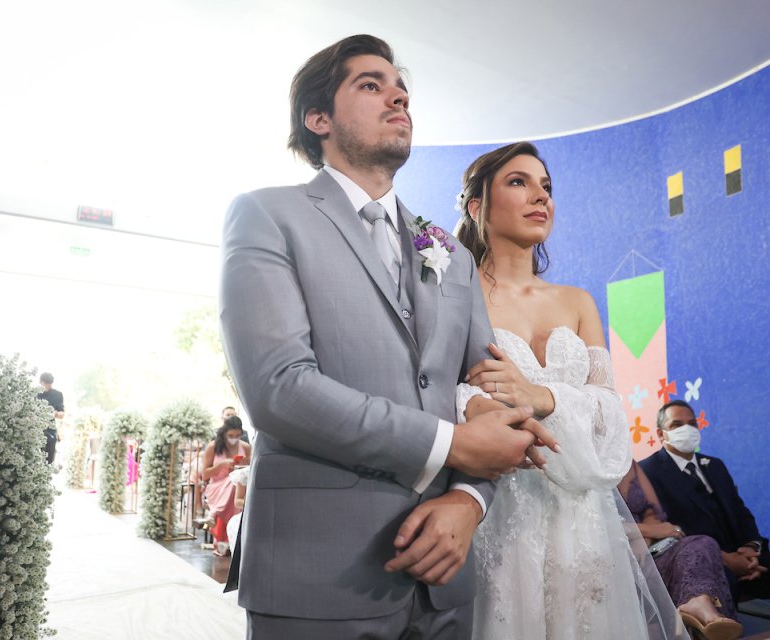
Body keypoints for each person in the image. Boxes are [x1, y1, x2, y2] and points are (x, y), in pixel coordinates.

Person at [219, 34, 557, 639]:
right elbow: (279, 389)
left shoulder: (447, 251)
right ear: (317, 118)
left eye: (401, 89)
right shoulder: (268, 215)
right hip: (320, 575)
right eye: (370, 85)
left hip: (446, 578)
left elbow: (489, 390)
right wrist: (451, 447)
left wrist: (469, 502)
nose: (398, 97)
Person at [455, 141, 683, 639]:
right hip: (505, 511)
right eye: (519, 182)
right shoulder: (454, 297)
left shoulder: (577, 301)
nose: (541, 196)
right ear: (478, 207)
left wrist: (546, 397)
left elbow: (610, 416)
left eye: (547, 186)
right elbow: (444, 397)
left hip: (584, 517)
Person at [641, 400, 770, 626]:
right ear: (660, 433)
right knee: (723, 590)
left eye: (691, 423)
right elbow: (667, 530)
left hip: (743, 556)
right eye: (676, 425)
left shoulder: (714, 465)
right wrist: (726, 560)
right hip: (701, 564)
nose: (686, 430)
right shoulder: (648, 471)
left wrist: (750, 549)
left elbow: (740, 511)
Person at [619, 460, 743, 640]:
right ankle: (700, 622)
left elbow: (652, 513)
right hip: (616, 561)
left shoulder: (629, 462)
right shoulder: (577, 463)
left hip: (649, 552)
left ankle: (698, 603)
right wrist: (647, 531)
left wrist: (645, 539)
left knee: (702, 543)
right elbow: (593, 526)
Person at [202, 416, 251, 553]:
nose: (234, 438)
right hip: (217, 486)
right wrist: (221, 465)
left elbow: (250, 469)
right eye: (231, 435)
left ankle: (214, 514)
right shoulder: (213, 447)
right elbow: (204, 474)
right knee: (232, 484)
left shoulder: (246, 447)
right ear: (224, 433)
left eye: (237, 435)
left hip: (237, 487)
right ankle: (222, 535)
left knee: (235, 483)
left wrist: (242, 466)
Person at [36, 372, 64, 464]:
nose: (47, 386)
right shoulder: (34, 393)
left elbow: (62, 414)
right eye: (45, 384)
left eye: (49, 384)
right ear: (40, 382)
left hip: (50, 431)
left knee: (49, 461)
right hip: (35, 431)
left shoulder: (57, 394)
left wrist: (54, 413)